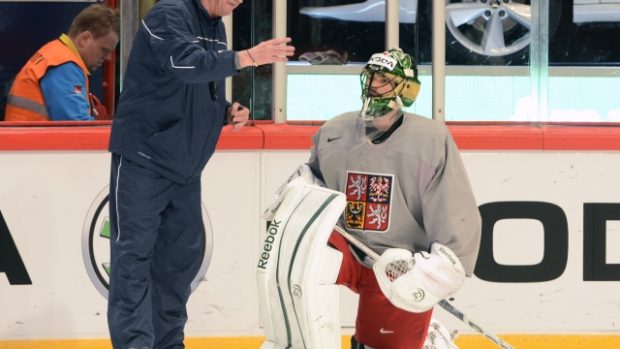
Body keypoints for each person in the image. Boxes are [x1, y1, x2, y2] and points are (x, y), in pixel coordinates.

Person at [258, 48, 481, 349]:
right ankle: (299, 342)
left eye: (385, 78)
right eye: (372, 75)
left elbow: (457, 216)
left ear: (408, 89)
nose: (375, 84)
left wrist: (435, 273)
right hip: (348, 249)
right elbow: (315, 181)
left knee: (379, 345)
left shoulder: (430, 142)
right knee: (303, 252)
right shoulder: (335, 131)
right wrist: (294, 202)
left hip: (396, 265)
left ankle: (428, 341)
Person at [106, 0, 295, 348]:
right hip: (144, 160)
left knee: (176, 268)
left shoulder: (214, 25)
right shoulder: (169, 13)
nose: (237, 1)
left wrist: (224, 111)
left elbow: (194, 88)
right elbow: (183, 63)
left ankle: (168, 343)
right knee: (133, 262)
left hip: (186, 169)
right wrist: (247, 57)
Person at [4, 4, 119, 121]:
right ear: (85, 39)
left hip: (26, 138)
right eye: (104, 49)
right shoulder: (64, 66)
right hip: (34, 139)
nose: (108, 57)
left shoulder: (55, 54)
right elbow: (77, 127)